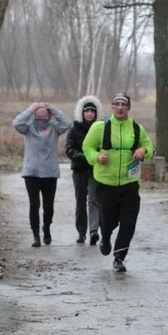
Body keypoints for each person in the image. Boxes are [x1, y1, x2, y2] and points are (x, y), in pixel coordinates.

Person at [82, 92, 154, 273]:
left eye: (124, 104)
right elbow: (87, 147)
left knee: (128, 222)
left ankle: (119, 257)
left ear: (129, 108)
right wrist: (97, 156)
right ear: (112, 107)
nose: (120, 107)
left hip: (129, 184)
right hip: (106, 184)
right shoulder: (100, 127)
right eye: (117, 104)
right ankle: (105, 237)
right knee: (107, 221)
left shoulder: (137, 128)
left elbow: (150, 147)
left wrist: (143, 151)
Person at [13, 102, 71, 247]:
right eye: (37, 118)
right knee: (34, 205)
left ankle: (47, 229)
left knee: (48, 206)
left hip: (50, 173)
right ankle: (36, 234)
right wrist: (30, 109)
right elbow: (16, 123)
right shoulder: (28, 128)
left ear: (49, 118)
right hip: (31, 172)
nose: (40, 122)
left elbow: (67, 122)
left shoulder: (54, 129)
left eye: (44, 119)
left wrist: (53, 108)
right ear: (33, 117)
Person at [65, 96, 103, 245]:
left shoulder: (101, 129)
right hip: (79, 169)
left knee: (94, 199)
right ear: (81, 113)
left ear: (96, 113)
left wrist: (98, 157)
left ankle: (94, 231)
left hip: (95, 169)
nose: (89, 114)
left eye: (92, 111)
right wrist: (83, 156)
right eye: (86, 111)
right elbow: (69, 149)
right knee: (80, 201)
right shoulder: (74, 130)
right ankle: (81, 232)